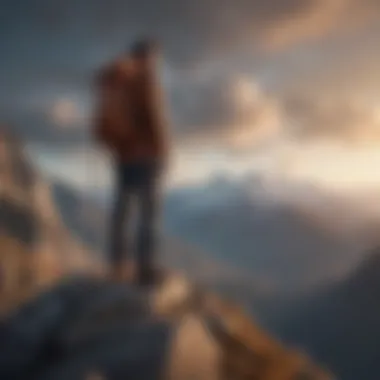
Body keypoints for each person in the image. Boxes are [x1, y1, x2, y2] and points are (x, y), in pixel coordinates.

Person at [94, 39, 170, 286]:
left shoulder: (118, 79)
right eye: (153, 58)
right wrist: (162, 152)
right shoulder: (144, 80)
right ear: (148, 57)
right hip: (148, 157)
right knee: (148, 216)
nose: (155, 63)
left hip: (124, 157)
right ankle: (144, 270)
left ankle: (118, 265)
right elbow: (154, 121)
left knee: (123, 213)